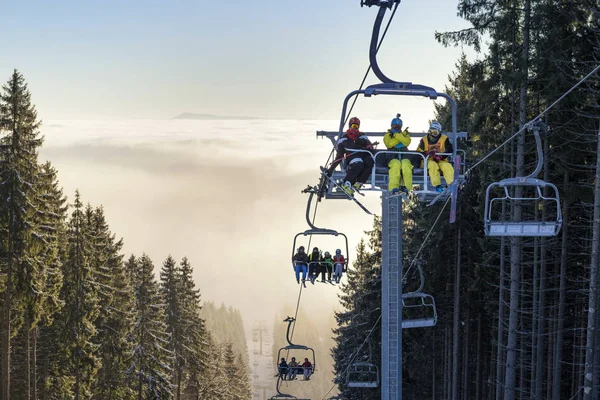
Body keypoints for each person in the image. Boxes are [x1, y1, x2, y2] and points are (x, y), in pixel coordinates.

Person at [325, 117, 375, 196]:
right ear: (349, 126)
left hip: (363, 155)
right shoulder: (344, 139)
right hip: (352, 157)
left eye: (356, 126)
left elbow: (369, 145)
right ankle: (347, 183)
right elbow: (339, 156)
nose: (355, 128)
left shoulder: (362, 136)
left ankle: (359, 182)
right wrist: (331, 169)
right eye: (353, 126)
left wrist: (369, 146)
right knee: (358, 163)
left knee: (370, 162)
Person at [417, 121, 455, 192]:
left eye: (435, 132)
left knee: (447, 166)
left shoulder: (444, 139)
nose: (433, 134)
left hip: (441, 160)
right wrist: (427, 154)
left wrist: (441, 156)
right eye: (431, 131)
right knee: (433, 165)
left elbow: (449, 150)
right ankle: (437, 185)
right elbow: (419, 152)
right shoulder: (424, 140)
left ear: (439, 132)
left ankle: (451, 184)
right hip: (428, 161)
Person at [382, 116, 413, 197]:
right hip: (392, 156)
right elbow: (389, 144)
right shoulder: (387, 135)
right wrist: (399, 136)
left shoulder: (405, 135)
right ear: (391, 126)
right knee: (396, 165)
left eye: (398, 127)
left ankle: (407, 187)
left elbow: (407, 142)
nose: (396, 128)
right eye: (395, 126)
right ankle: (394, 188)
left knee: (406, 165)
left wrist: (397, 136)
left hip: (404, 155)